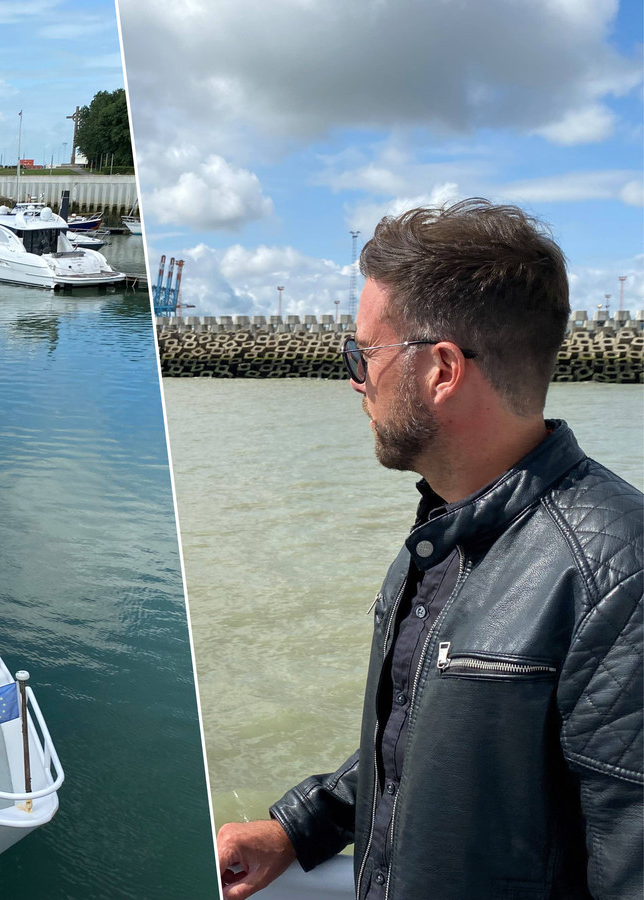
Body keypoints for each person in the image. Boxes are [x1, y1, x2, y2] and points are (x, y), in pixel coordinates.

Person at [217, 199, 641, 899]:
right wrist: (301, 827)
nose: (355, 380)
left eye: (363, 355)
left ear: (442, 370)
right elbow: (433, 745)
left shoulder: (618, 578)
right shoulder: (446, 534)